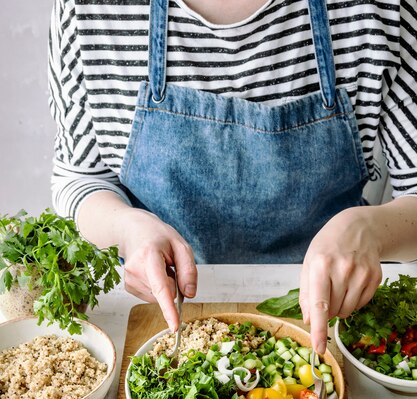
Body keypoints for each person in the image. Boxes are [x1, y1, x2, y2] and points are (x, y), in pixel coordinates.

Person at [48, 0, 417, 353]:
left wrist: (370, 229)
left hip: (332, 307)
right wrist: (127, 230)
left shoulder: (379, 9)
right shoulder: (87, 10)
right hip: (157, 306)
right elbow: (78, 177)